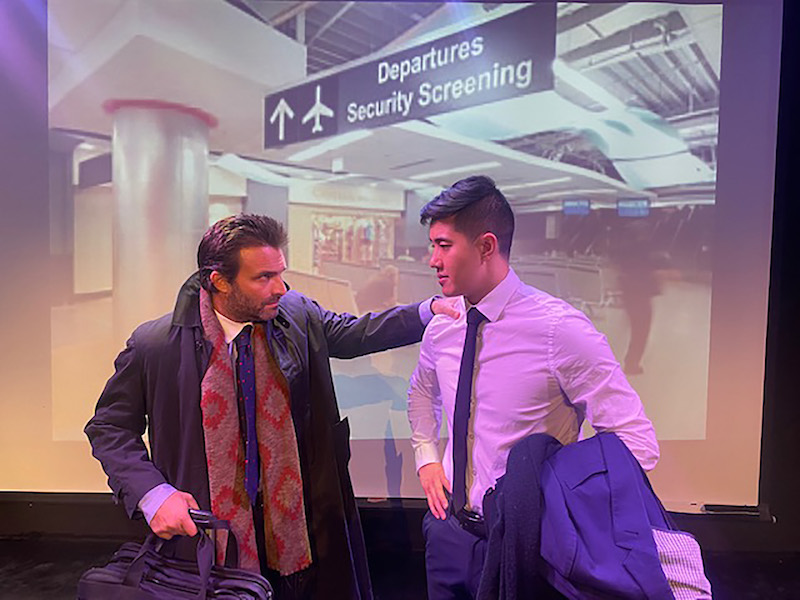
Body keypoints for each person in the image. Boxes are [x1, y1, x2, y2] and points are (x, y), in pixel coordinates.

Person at [85, 214, 456, 600]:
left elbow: (352, 334)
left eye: (280, 273)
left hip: (298, 531)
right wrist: (154, 494)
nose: (280, 287)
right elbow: (109, 428)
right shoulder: (155, 345)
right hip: (210, 539)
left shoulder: (296, 314)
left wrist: (426, 311)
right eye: (263, 278)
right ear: (219, 281)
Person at [406, 176, 659, 600]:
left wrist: (562, 504)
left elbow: (636, 440)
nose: (432, 259)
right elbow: (420, 392)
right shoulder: (441, 327)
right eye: (432, 245)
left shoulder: (559, 329)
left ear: (486, 246)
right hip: (448, 534)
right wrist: (427, 458)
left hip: (526, 545)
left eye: (444, 246)